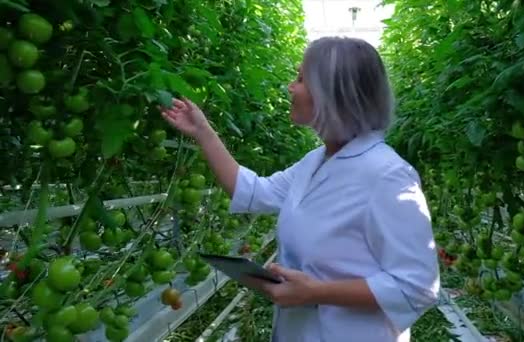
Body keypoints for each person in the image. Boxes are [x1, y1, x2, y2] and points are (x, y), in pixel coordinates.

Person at [160, 36, 440, 342]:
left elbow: (417, 285)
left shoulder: (388, 175)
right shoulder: (315, 161)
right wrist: (203, 131)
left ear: (334, 92)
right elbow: (254, 192)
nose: (290, 87)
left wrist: (316, 292)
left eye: (301, 79)